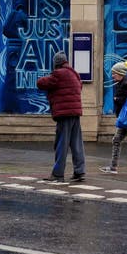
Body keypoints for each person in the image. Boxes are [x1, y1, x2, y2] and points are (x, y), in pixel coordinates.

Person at [35, 51, 85, 182]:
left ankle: (57, 174)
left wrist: (45, 77)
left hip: (64, 113)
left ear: (56, 63)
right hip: (75, 112)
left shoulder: (58, 74)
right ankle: (79, 171)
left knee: (61, 144)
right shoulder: (74, 73)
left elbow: (41, 83)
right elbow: (80, 87)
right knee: (76, 143)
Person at [100, 60, 127, 177]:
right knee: (116, 140)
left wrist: (119, 100)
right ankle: (113, 167)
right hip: (125, 119)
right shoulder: (122, 83)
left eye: (114, 73)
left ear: (120, 73)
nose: (112, 75)